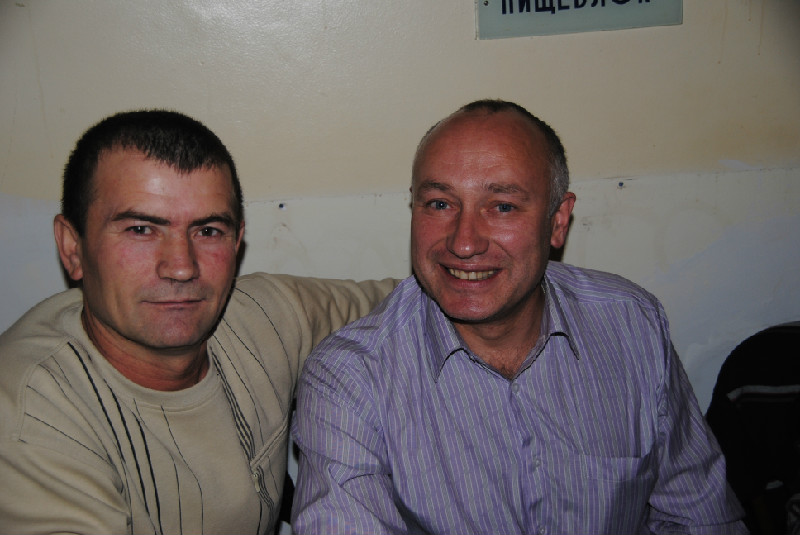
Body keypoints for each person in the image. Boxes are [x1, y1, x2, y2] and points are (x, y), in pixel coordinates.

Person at [291, 99, 747, 534]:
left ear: (558, 221)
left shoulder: (632, 325)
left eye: (503, 206)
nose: (464, 242)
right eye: (440, 204)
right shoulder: (351, 377)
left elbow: (700, 516)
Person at [0, 110, 396, 534]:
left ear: (237, 242)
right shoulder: (30, 415)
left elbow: (414, 303)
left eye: (207, 231)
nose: (181, 267)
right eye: (141, 229)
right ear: (72, 247)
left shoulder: (264, 317)